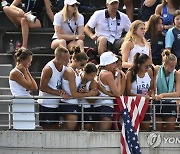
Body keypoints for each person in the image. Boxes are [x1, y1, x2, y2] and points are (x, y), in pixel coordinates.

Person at [61, 46, 98, 130]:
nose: (83, 67)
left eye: (84, 65)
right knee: (70, 131)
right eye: (82, 64)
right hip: (69, 103)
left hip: (74, 103)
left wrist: (83, 89)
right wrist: (89, 93)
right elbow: (74, 94)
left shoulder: (76, 71)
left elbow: (77, 90)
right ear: (75, 60)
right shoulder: (70, 72)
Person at [38, 45, 70, 130]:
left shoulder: (64, 67)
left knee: (56, 128)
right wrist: (59, 93)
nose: (68, 61)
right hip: (47, 104)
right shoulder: (48, 69)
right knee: (48, 129)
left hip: (57, 104)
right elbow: (42, 87)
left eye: (68, 58)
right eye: (66, 59)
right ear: (58, 59)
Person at [94, 51, 124, 130]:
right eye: (113, 63)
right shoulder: (108, 74)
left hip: (98, 106)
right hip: (106, 106)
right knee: (103, 135)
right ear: (108, 64)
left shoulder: (101, 72)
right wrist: (119, 77)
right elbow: (118, 93)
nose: (115, 65)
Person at [125, 53, 154, 130]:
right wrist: (140, 97)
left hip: (145, 104)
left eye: (149, 66)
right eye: (146, 66)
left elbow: (151, 88)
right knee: (134, 128)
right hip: (133, 104)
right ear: (139, 65)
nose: (148, 68)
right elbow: (127, 92)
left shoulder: (150, 72)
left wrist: (150, 95)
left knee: (145, 127)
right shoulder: (130, 73)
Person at [154, 49, 180, 131]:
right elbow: (152, 86)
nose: (173, 68)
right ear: (165, 64)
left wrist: (163, 95)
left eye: (174, 66)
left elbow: (177, 93)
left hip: (170, 103)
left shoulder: (176, 74)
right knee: (158, 130)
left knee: (170, 129)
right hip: (158, 102)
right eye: (171, 66)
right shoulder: (156, 69)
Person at [78, 63, 98, 131]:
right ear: (85, 73)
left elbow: (92, 101)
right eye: (91, 75)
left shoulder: (93, 83)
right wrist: (88, 93)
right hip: (76, 105)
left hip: (87, 108)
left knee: (88, 126)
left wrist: (86, 93)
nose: (93, 77)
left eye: (94, 76)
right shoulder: (77, 77)